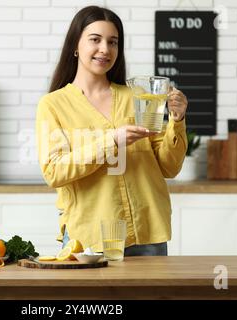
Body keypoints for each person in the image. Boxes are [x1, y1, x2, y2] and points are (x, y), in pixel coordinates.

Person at [35, 6, 188, 256]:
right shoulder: (53, 105)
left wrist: (177, 119)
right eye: (95, 40)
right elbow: (54, 171)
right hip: (88, 239)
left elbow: (169, 167)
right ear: (75, 45)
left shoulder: (140, 97)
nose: (105, 49)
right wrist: (111, 141)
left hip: (147, 233)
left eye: (113, 42)